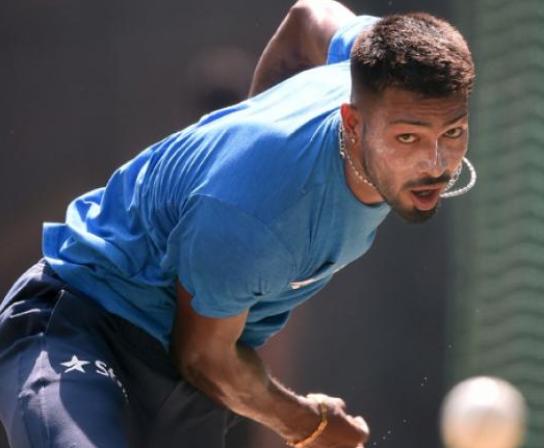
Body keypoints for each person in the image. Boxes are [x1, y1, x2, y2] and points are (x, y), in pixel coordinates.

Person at [0, 0, 476, 446]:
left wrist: (257, 115)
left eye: (452, 132)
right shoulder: (257, 211)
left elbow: (309, 16)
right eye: (408, 137)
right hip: (84, 324)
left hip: (183, 374)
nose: (434, 162)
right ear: (352, 124)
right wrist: (309, 425)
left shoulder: (384, 60)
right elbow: (204, 357)